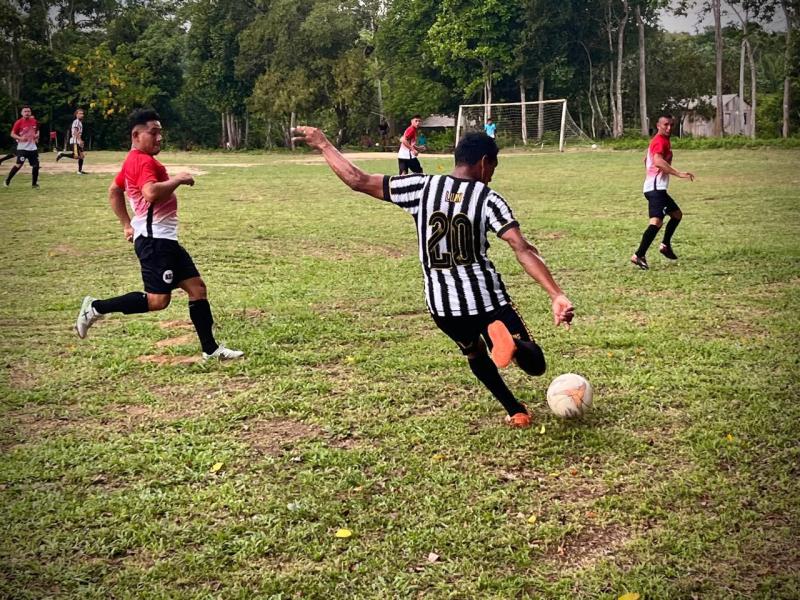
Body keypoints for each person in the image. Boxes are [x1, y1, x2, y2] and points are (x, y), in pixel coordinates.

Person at [293, 126, 574, 428]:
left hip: (443, 307)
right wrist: (555, 293)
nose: (492, 174)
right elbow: (522, 249)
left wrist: (323, 145)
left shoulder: (421, 187)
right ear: (483, 162)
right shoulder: (488, 198)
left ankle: (515, 409)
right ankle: (514, 347)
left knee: (474, 352)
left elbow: (357, 180)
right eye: (493, 166)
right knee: (535, 365)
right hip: (487, 301)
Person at [74, 108, 244, 361]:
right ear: (136, 135)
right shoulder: (141, 161)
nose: (159, 138)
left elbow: (114, 191)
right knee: (157, 301)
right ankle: (96, 307)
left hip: (164, 240)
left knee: (197, 289)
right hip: (155, 243)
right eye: (153, 133)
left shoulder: (134, 160)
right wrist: (178, 179)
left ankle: (211, 350)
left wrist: (127, 224)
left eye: (160, 133)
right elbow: (151, 193)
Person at [631, 113, 695, 269]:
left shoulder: (662, 141)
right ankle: (638, 255)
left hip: (657, 188)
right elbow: (658, 161)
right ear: (658, 125)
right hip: (655, 189)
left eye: (671, 125)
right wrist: (678, 173)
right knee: (656, 222)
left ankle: (665, 245)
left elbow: (648, 160)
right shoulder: (659, 140)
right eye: (665, 124)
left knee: (676, 215)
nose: (669, 127)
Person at [4, 105, 40, 188]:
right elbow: (12, 134)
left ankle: (34, 184)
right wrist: (20, 138)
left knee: (36, 166)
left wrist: (37, 136)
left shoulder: (34, 121)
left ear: (30, 112)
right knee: (19, 165)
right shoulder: (18, 122)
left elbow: (37, 131)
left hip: (32, 148)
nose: (27, 113)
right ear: (22, 113)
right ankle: (8, 180)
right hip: (22, 148)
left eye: (28, 111)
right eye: (25, 111)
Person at [56, 108, 87, 174]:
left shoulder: (80, 122)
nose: (82, 115)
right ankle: (62, 154)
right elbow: (75, 132)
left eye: (82, 113)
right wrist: (80, 140)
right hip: (74, 141)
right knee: (76, 156)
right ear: (76, 115)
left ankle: (79, 171)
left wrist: (80, 140)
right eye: (80, 113)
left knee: (82, 156)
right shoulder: (76, 122)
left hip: (77, 141)